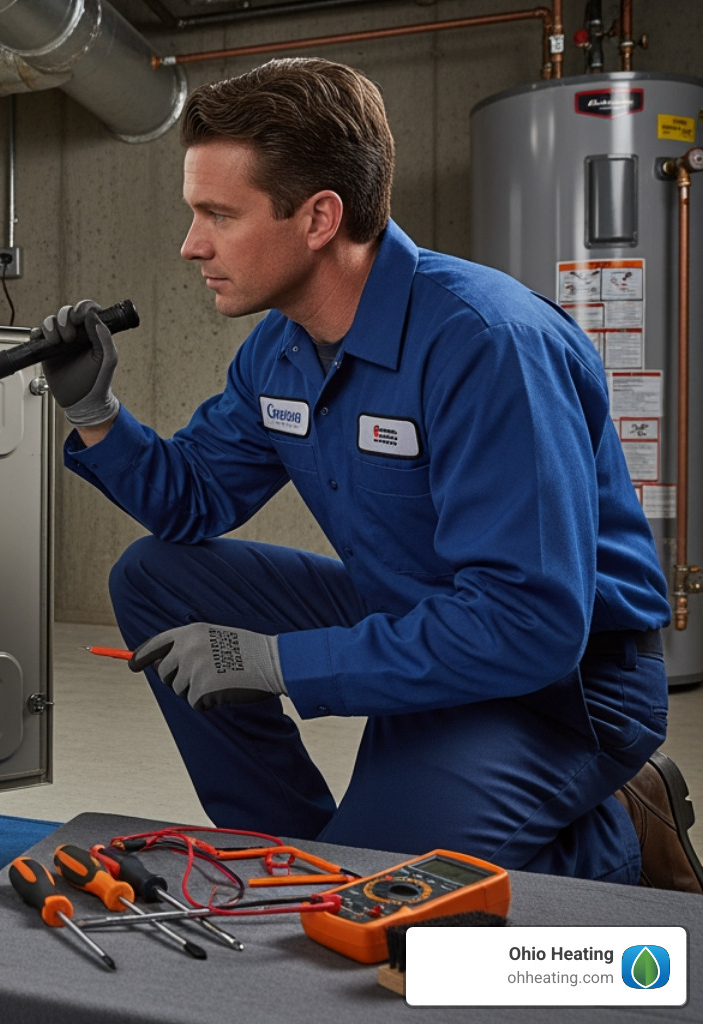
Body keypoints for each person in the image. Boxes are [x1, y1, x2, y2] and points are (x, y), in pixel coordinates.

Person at [42, 57, 703, 890]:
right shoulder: (280, 351)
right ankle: (292, 848)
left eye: (219, 214)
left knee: (374, 900)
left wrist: (278, 663)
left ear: (320, 217)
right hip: (420, 619)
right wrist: (94, 410)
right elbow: (193, 500)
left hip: (561, 690)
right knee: (157, 577)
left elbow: (530, 623)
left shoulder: (487, 344)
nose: (191, 245)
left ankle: (622, 832)